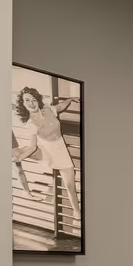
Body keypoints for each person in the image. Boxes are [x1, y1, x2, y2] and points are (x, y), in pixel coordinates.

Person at [12, 86, 81, 226]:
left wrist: (70, 99)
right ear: (23, 104)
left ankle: (77, 213)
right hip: (45, 150)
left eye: (33, 99)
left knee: (70, 187)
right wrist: (20, 158)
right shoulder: (31, 124)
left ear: (38, 100)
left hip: (60, 151)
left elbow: (60, 107)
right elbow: (32, 147)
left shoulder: (49, 110)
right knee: (19, 151)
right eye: (27, 100)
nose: (31, 103)